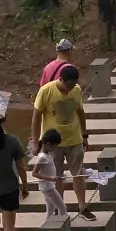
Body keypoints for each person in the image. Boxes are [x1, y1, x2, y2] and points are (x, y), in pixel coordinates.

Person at [31, 63, 94, 219]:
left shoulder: (77, 90)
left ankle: (82, 207)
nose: (71, 88)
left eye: (74, 85)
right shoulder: (46, 91)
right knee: (57, 176)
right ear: (61, 79)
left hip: (74, 139)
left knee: (78, 174)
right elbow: (36, 117)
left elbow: (80, 112)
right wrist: (35, 142)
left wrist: (84, 135)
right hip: (53, 144)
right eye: (69, 85)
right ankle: (60, 209)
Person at [31, 127, 68, 224]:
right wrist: (50, 178)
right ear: (48, 144)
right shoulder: (42, 157)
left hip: (48, 186)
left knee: (50, 209)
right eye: (55, 146)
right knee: (62, 209)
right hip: (48, 188)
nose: (56, 148)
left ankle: (49, 229)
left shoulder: (47, 154)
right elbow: (34, 173)